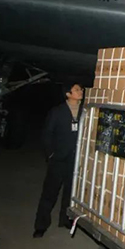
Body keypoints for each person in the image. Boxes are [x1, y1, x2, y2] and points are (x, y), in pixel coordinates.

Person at [33, 82, 85, 238]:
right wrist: (50, 155)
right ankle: (41, 225)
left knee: (70, 193)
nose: (81, 91)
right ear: (68, 94)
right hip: (59, 159)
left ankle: (66, 219)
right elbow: (47, 134)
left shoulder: (85, 111)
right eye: (77, 89)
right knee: (50, 193)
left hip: (75, 159)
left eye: (81, 89)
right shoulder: (57, 111)